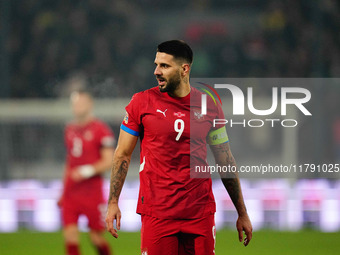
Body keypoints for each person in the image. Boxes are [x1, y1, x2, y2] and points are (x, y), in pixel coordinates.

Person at [106, 40, 252, 254]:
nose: (156, 71)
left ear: (184, 69)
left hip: (199, 212)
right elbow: (122, 155)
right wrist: (112, 202)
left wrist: (242, 212)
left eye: (164, 66)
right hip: (158, 213)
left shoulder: (208, 105)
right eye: (156, 64)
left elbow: (225, 159)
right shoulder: (141, 102)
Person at [59, 90, 115, 255]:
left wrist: (85, 171)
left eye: (81, 103)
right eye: (75, 104)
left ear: (90, 105)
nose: (77, 107)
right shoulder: (69, 129)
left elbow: (108, 161)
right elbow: (69, 161)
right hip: (71, 191)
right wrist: (63, 190)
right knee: (70, 236)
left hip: (92, 192)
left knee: (96, 238)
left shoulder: (101, 130)